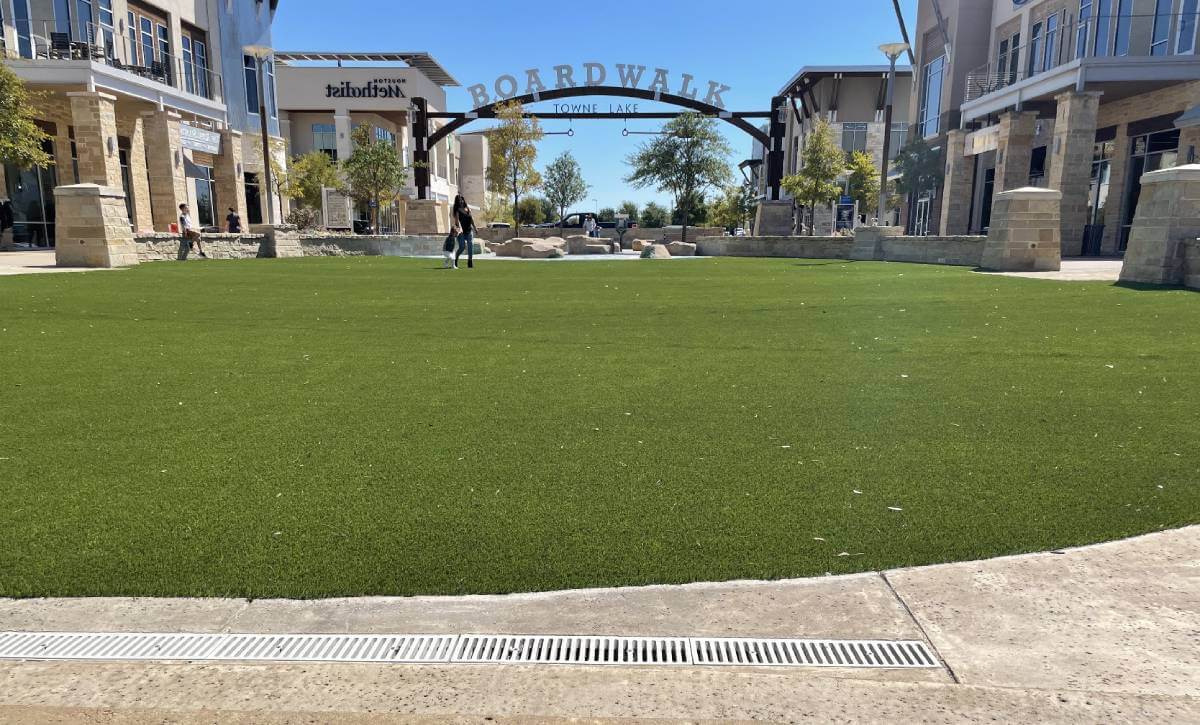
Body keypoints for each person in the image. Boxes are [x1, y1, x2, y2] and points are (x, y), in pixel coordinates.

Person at [451, 194, 476, 269]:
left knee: (470, 245)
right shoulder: (457, 210)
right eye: (459, 200)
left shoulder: (467, 208)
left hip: (469, 230)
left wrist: (475, 227)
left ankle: (470, 262)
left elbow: (471, 219)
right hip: (460, 231)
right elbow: (457, 221)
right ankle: (455, 259)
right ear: (457, 201)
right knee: (462, 247)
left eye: (462, 199)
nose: (461, 201)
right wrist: (460, 228)